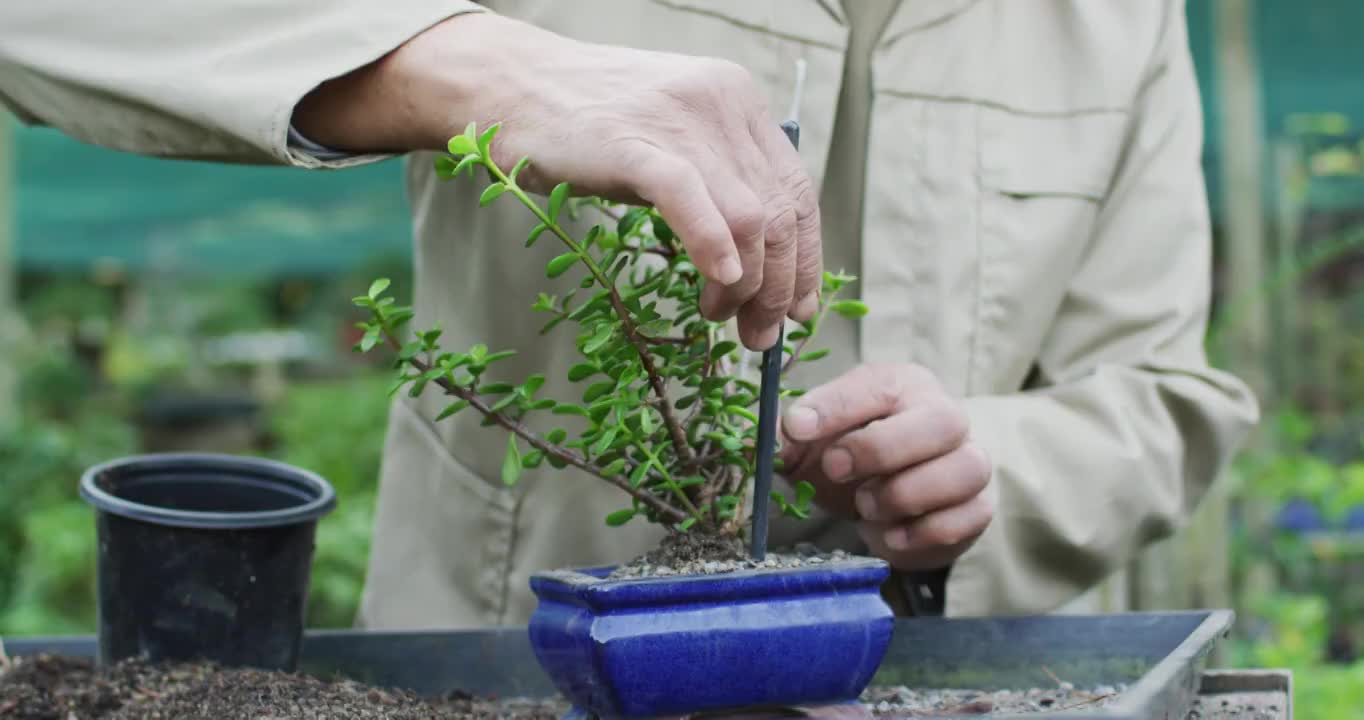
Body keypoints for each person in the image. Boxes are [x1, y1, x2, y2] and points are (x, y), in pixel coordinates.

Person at [0, 0, 1258, 625]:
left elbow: (1163, 392)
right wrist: (474, 66)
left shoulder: (1115, 18)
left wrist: (993, 466)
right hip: (507, 670)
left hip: (948, 684)